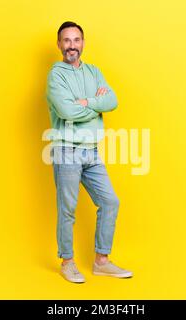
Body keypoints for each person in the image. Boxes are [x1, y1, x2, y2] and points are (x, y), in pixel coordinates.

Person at [45, 21, 133, 283]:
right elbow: (66, 111)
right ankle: (68, 262)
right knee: (68, 208)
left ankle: (101, 261)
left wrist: (85, 102)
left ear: (83, 42)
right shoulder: (56, 75)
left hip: (91, 151)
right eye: (66, 40)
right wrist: (95, 106)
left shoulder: (94, 71)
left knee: (109, 202)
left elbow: (112, 101)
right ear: (59, 44)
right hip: (67, 151)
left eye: (76, 39)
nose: (72, 45)